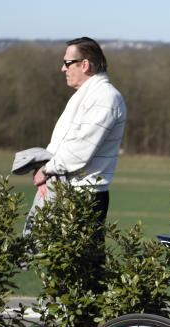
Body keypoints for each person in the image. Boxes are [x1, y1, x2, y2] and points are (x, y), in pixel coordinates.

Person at [25, 37, 127, 246]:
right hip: (70, 193)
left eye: (67, 63)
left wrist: (46, 171)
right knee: (57, 270)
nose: (63, 69)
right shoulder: (88, 95)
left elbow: (80, 150)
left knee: (82, 272)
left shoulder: (105, 98)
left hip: (84, 197)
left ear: (85, 64)